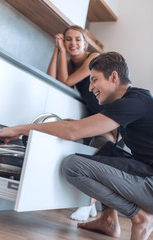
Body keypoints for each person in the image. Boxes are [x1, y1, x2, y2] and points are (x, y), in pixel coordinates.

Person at [0, 52, 153, 240]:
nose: (91, 87)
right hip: (146, 172)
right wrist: (54, 126)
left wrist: (19, 129)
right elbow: (79, 127)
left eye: (94, 80)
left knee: (73, 166)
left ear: (113, 77)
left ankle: (139, 216)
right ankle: (108, 220)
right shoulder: (136, 99)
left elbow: (72, 131)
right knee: (102, 143)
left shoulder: (132, 103)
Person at [47, 25, 116, 220]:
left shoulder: (93, 58)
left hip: (111, 116)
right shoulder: (70, 65)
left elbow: (67, 81)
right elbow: (54, 80)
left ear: (85, 43)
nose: (72, 43)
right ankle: (94, 208)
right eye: (67, 39)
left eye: (78, 39)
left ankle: (88, 204)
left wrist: (61, 51)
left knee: (105, 158)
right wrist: (56, 50)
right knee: (99, 156)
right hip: (96, 119)